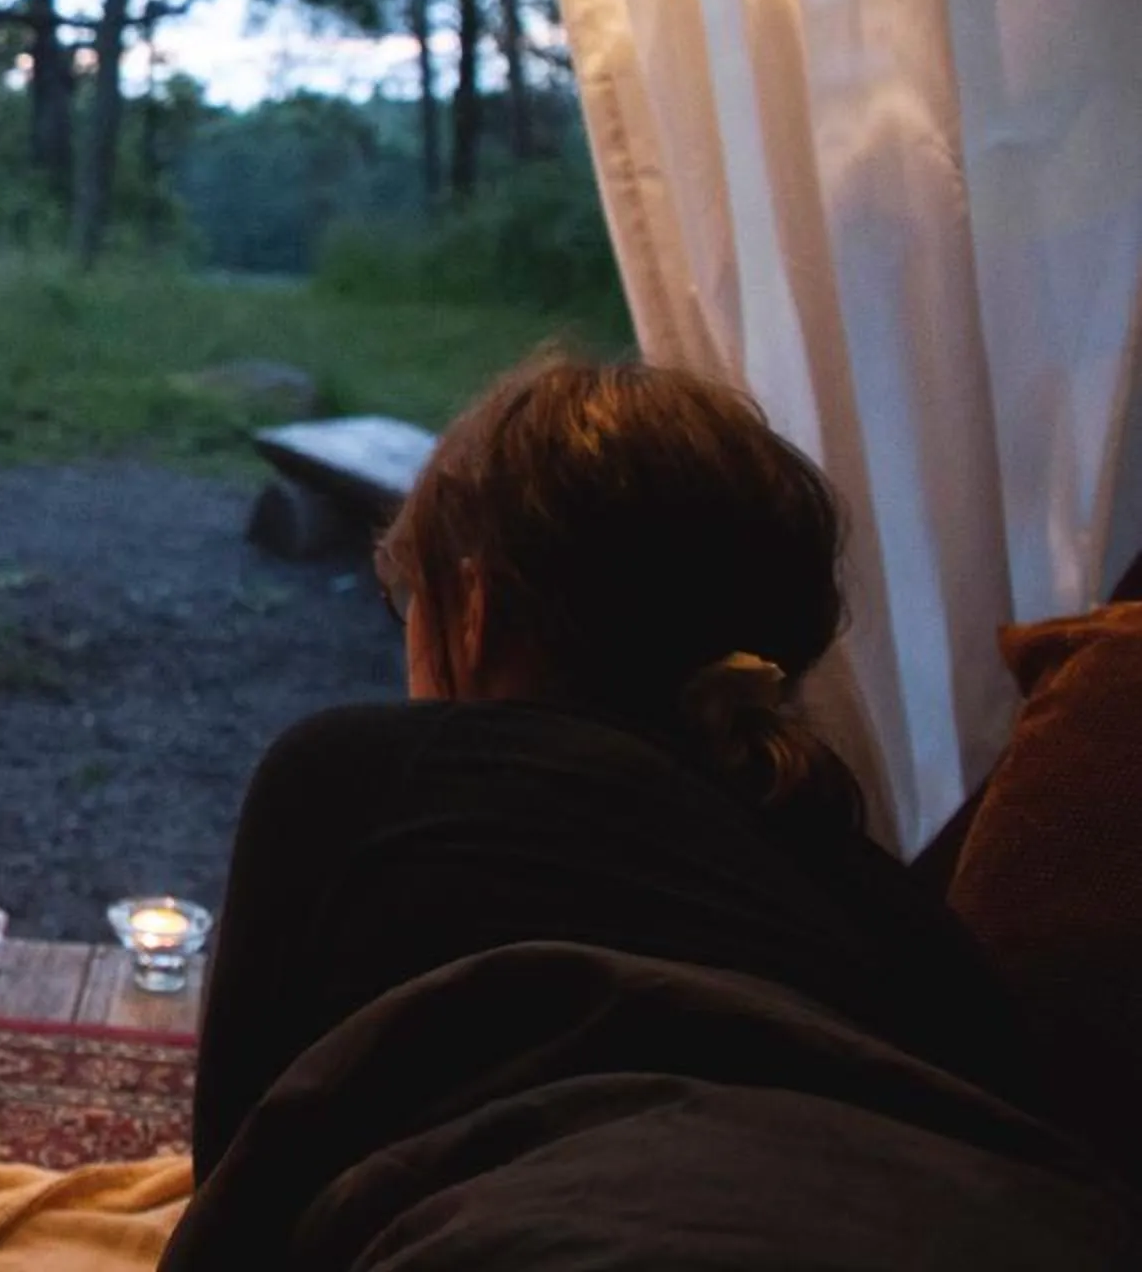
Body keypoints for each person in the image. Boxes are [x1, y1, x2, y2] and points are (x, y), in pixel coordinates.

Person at [163, 355, 1139, 1270]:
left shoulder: (357, 777)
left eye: (407, 606)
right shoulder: (904, 913)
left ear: (472, 607)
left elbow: (245, 1192)